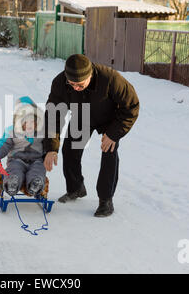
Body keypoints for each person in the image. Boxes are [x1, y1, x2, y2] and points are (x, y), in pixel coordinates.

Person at [43, 54, 139, 217]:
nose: (75, 88)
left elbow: (131, 106)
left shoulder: (110, 78)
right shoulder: (60, 83)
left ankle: (105, 200)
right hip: (82, 116)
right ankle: (76, 188)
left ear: (90, 76)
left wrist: (114, 134)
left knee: (109, 152)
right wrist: (51, 147)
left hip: (110, 119)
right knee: (70, 150)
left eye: (80, 85)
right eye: (71, 84)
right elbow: (53, 116)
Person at [0, 96, 46, 197]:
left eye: (33, 122)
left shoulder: (43, 133)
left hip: (36, 160)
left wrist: (48, 154)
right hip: (17, 160)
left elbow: (48, 146)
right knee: (14, 169)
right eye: (25, 122)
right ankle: (12, 183)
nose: (29, 125)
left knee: (38, 169)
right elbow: (4, 144)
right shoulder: (12, 132)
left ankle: (35, 184)